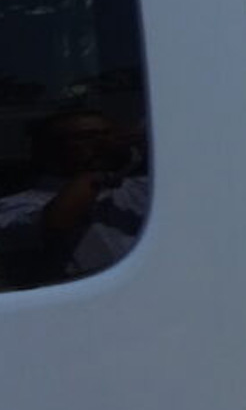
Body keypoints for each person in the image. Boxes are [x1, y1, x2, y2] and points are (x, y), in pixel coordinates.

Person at [0, 108, 149, 289]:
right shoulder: (15, 205)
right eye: (87, 137)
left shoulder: (140, 188)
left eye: (109, 134)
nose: (105, 142)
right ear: (49, 148)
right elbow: (56, 222)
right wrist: (97, 171)